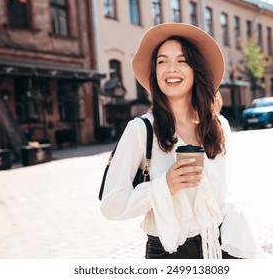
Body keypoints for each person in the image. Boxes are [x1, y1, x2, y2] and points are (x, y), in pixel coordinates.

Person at [100, 23, 262, 259]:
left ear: (196, 69)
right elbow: (110, 205)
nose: (171, 69)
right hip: (170, 253)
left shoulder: (219, 127)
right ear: (155, 72)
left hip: (220, 245)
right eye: (162, 61)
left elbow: (223, 193)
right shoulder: (141, 130)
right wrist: (164, 186)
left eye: (182, 60)